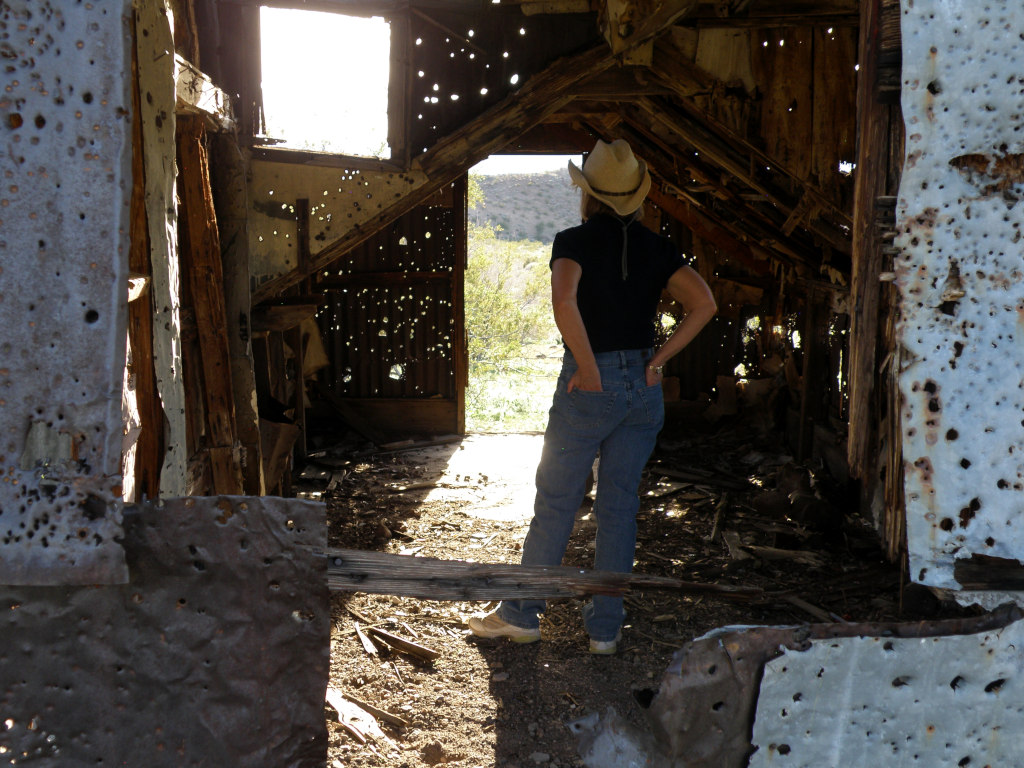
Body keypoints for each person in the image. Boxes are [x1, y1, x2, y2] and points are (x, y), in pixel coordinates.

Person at [469, 138, 717, 654]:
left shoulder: (573, 241)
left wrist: (587, 367)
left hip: (591, 385)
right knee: (620, 507)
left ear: (589, 194)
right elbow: (705, 304)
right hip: (641, 388)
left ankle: (521, 613)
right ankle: (605, 627)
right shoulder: (658, 247)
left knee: (557, 500)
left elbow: (564, 302)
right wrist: (658, 360)